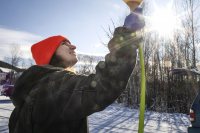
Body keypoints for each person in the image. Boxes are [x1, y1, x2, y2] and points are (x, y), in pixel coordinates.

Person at [9, 9, 144, 133]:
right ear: (49, 53)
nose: (73, 46)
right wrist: (126, 36)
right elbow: (104, 85)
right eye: (64, 44)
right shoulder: (53, 84)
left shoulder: (33, 92)